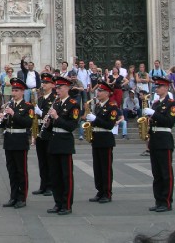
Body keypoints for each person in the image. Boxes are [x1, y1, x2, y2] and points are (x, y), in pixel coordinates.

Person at [142, 75, 175, 213]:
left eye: (159, 86)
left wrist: (154, 114)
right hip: (155, 139)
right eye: (156, 86)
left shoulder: (172, 103)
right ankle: (158, 200)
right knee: (156, 173)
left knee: (166, 172)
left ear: (166, 88)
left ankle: (167, 201)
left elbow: (169, 122)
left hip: (164, 139)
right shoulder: (156, 103)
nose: (157, 88)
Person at [45, 75, 79, 215]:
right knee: (55, 175)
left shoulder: (73, 104)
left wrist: (56, 118)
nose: (57, 90)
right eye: (57, 88)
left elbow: (71, 126)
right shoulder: (56, 103)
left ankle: (67, 204)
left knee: (66, 176)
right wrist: (47, 123)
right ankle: (58, 202)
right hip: (54, 141)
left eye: (60, 88)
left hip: (65, 142)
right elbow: (52, 125)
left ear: (67, 88)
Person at [0, 78, 34, 209]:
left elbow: (28, 123)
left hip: (20, 140)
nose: (13, 92)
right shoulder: (10, 105)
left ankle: (22, 197)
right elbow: (5, 125)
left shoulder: (28, 106)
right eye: (13, 90)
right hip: (9, 140)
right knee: (11, 170)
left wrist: (14, 114)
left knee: (21, 171)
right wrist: (2, 119)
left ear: (22, 92)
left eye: (16, 90)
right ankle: (13, 196)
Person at [85, 82, 118, 203]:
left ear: (107, 93)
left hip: (105, 138)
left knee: (106, 167)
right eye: (98, 91)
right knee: (97, 167)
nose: (98, 93)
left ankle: (107, 192)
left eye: (100, 91)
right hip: (97, 137)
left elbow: (109, 125)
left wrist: (96, 119)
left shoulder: (112, 106)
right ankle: (99, 190)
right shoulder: (98, 106)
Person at [32, 72, 56, 196]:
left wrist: (40, 113)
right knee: (41, 160)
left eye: (46, 83)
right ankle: (43, 184)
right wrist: (34, 134)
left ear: (52, 85)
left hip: (49, 132)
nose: (44, 84)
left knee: (49, 160)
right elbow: (36, 119)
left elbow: (50, 116)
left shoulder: (54, 99)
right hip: (40, 132)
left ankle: (50, 186)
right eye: (43, 83)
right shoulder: (40, 99)